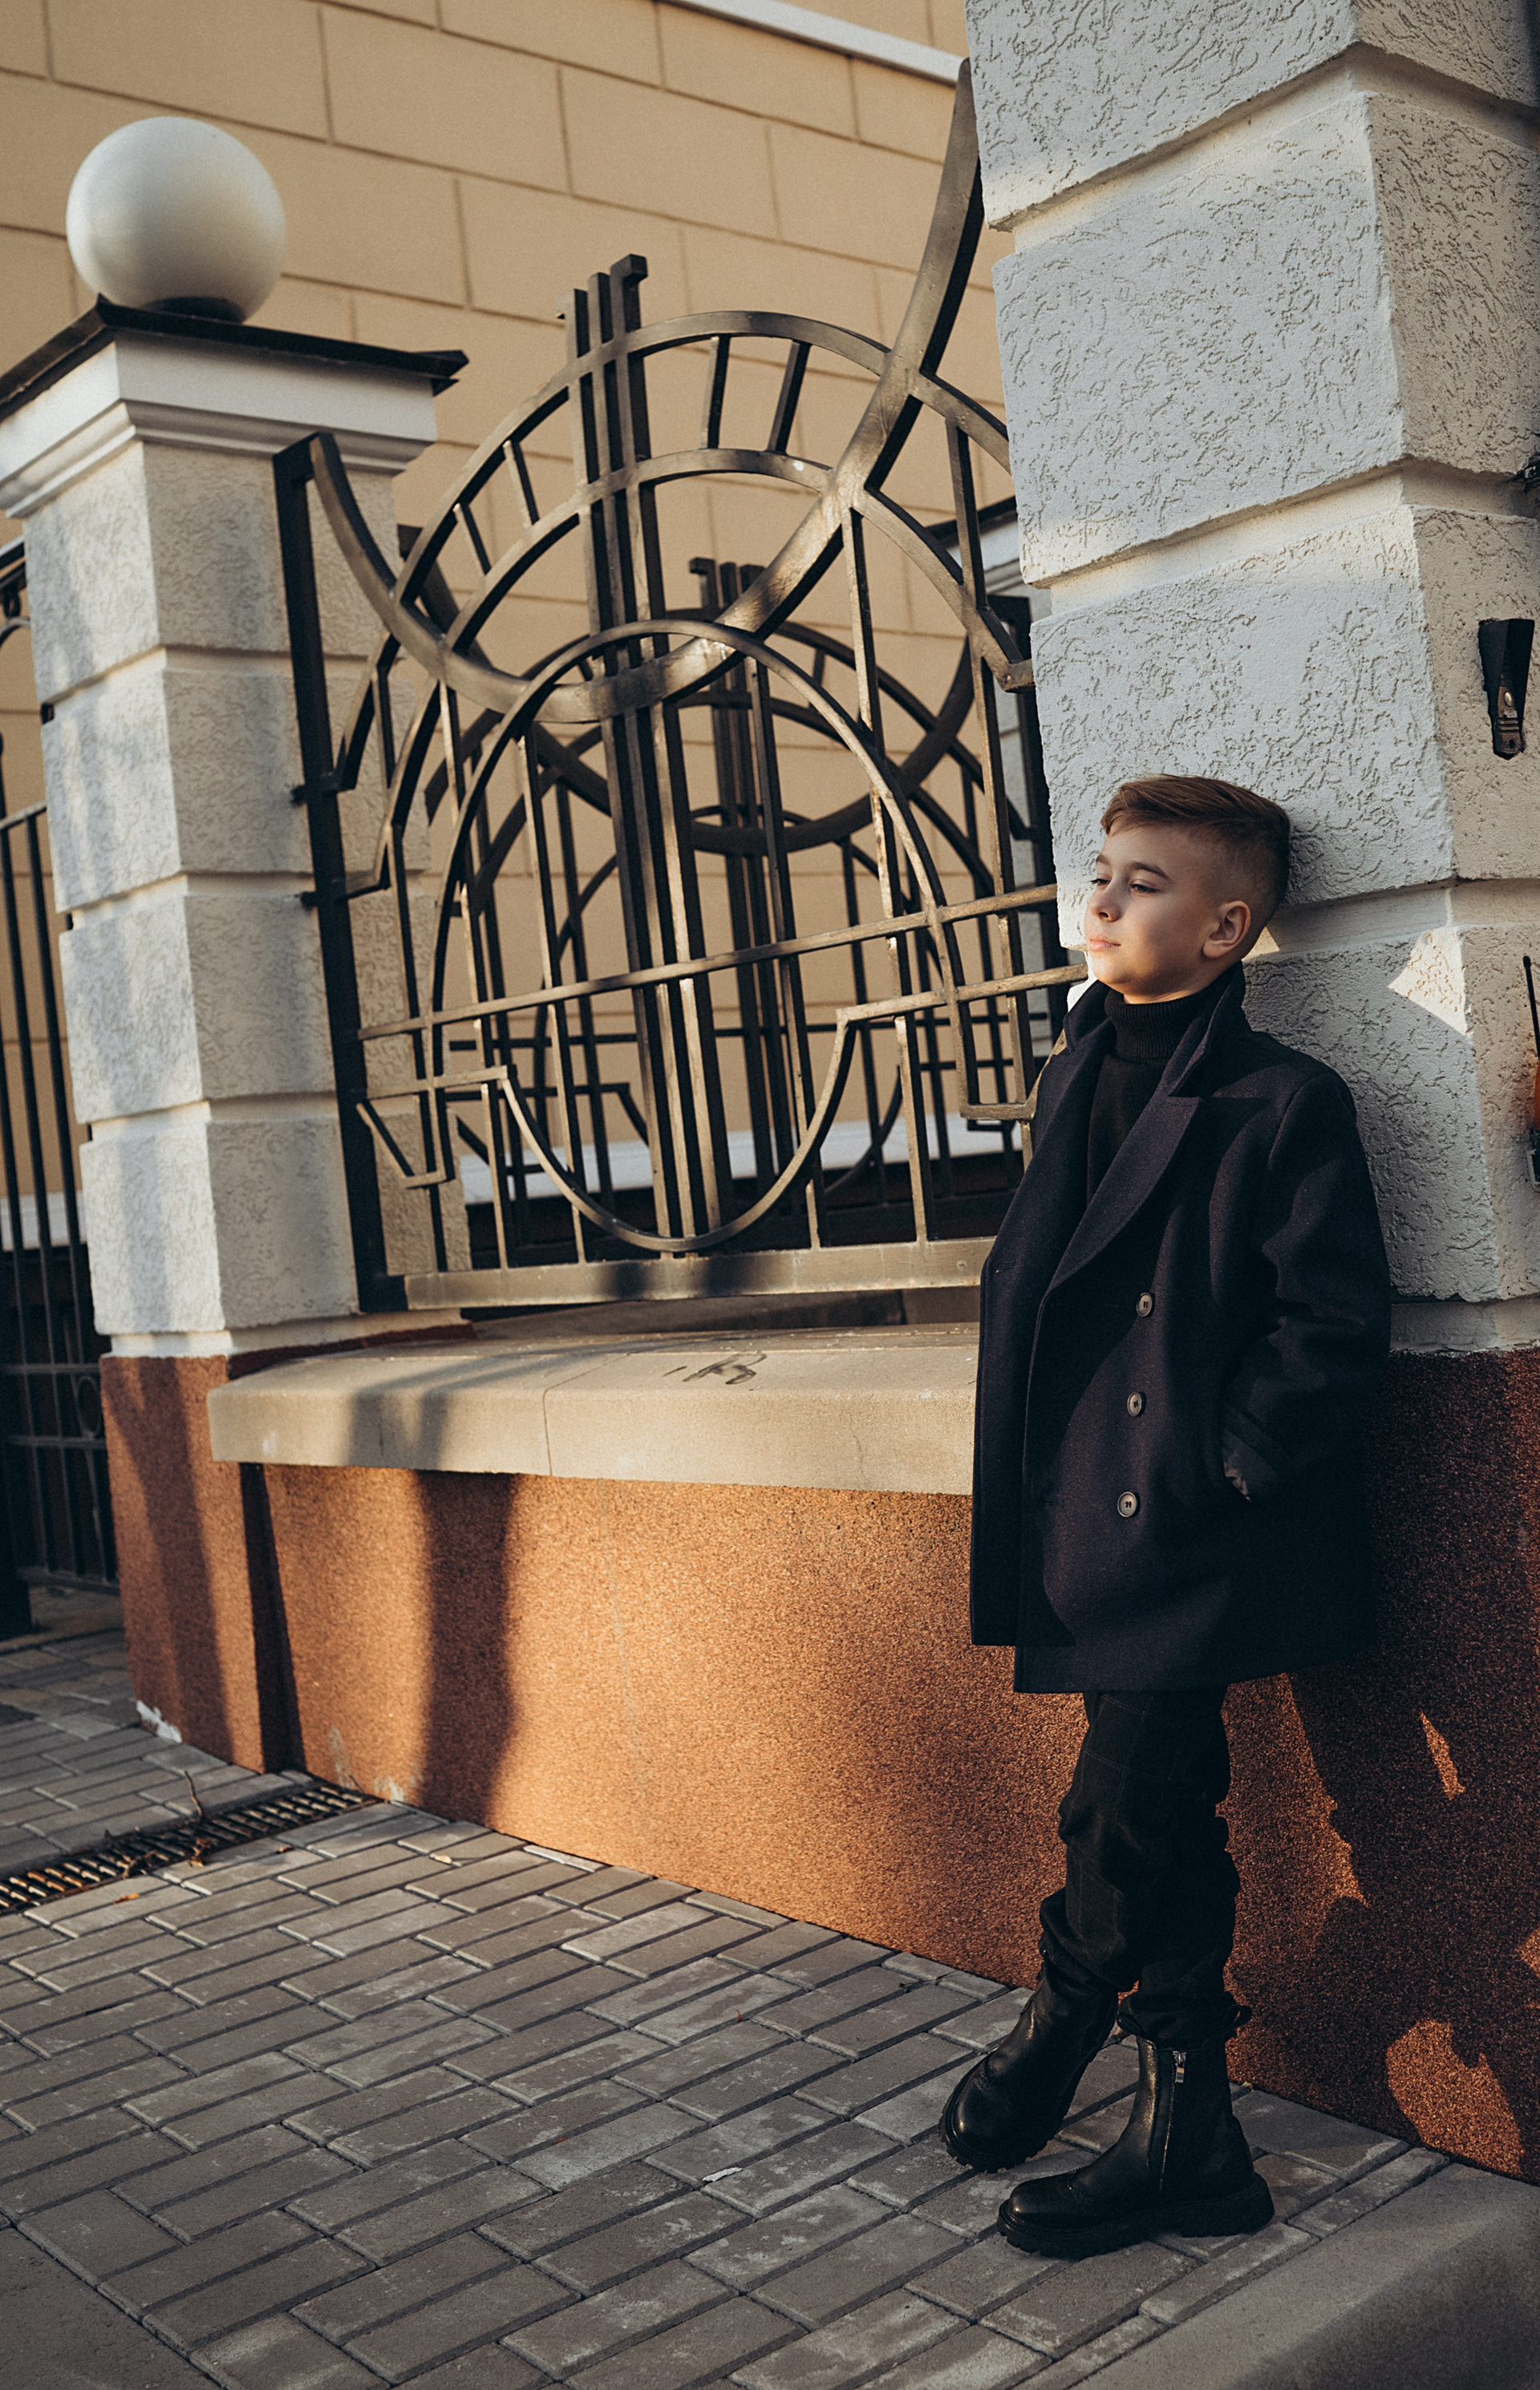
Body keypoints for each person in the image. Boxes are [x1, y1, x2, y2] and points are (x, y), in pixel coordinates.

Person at [942, 775, 1391, 2260]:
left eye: (1143, 882)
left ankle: (1071, 2015)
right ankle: (1189, 2135)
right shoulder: (1076, 1066)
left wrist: (1222, 1468)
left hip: (1193, 1528)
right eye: (1103, 871)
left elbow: (1332, 1324)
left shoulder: (1281, 1099)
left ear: (1225, 929)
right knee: (1158, 1805)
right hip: (1086, 1510)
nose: (1103, 898)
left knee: (1121, 1803)